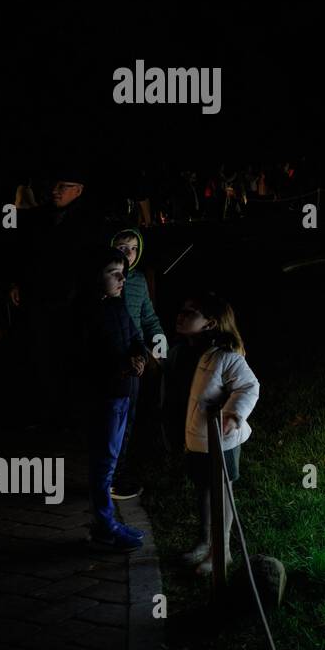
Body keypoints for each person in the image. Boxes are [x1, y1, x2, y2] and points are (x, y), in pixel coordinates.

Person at [5, 171, 107, 429]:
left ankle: (68, 416)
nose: (56, 190)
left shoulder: (87, 221)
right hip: (41, 298)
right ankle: (45, 413)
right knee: (41, 356)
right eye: (56, 185)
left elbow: (91, 262)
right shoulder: (42, 216)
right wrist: (17, 282)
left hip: (72, 302)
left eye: (64, 186)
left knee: (68, 358)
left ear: (79, 189)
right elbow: (25, 250)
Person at [171, 292, 260, 577]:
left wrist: (234, 414)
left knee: (221, 492)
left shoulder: (225, 356)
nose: (181, 316)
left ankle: (223, 552)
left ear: (210, 323)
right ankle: (206, 541)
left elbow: (248, 387)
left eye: (190, 312)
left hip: (221, 440)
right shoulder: (183, 351)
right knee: (202, 489)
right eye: (182, 310)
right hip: (196, 439)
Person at [79, 247, 148, 550]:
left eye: (123, 272)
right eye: (113, 272)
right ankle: (104, 525)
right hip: (105, 396)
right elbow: (83, 359)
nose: (121, 278)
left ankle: (107, 523)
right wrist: (121, 366)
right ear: (97, 276)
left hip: (124, 393)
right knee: (103, 462)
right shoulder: (85, 313)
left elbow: (134, 337)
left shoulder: (117, 305)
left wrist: (139, 357)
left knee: (112, 457)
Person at [107, 229, 165, 500]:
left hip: (139, 355)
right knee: (117, 418)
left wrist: (159, 343)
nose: (127, 252)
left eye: (132, 248)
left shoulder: (139, 280)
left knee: (135, 414)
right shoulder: (106, 279)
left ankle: (127, 465)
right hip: (117, 356)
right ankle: (113, 476)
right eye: (121, 247)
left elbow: (148, 317)